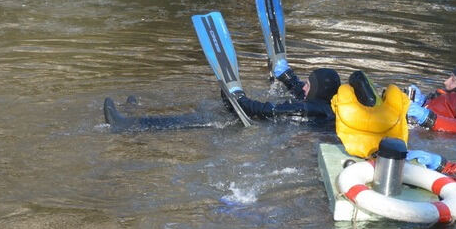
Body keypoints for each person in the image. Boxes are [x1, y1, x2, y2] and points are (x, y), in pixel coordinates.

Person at [103, 59, 340, 131]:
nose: (304, 87)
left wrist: (240, 99)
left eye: (309, 84)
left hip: (249, 122)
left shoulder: (310, 109)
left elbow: (269, 111)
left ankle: (127, 125)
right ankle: (137, 114)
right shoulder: (320, 104)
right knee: (196, 108)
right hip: (251, 117)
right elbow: (301, 93)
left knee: (192, 121)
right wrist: (288, 76)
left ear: (318, 90)